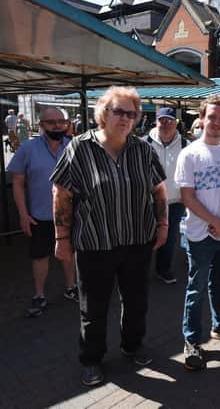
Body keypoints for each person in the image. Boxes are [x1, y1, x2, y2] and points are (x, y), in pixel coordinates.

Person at [51, 86, 168, 386]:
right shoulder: (79, 148)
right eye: (119, 111)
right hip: (94, 243)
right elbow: (61, 194)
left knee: (137, 300)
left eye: (132, 113)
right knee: (93, 307)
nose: (126, 118)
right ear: (104, 113)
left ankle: (132, 345)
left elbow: (158, 190)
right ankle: (91, 359)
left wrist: (163, 224)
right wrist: (61, 239)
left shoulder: (143, 149)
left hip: (137, 240)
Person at [175, 94, 220, 371]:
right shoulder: (190, 153)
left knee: (218, 285)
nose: (217, 122)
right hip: (200, 234)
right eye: (212, 117)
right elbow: (187, 197)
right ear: (201, 118)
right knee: (195, 289)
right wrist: (215, 221)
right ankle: (192, 340)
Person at [7, 107, 77, 318]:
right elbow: (18, 183)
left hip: (69, 215)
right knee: (40, 256)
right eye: (51, 122)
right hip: (40, 214)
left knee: (68, 253)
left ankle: (71, 288)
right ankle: (39, 295)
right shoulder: (27, 149)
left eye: (61, 121)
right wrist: (23, 214)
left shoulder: (74, 147)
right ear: (41, 125)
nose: (57, 125)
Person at [147, 107, 189, 285]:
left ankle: (163, 270)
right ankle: (140, 270)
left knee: (170, 239)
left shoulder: (186, 145)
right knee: (145, 237)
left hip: (174, 201)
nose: (166, 124)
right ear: (156, 122)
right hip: (147, 201)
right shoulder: (144, 142)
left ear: (176, 123)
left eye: (170, 120)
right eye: (162, 120)